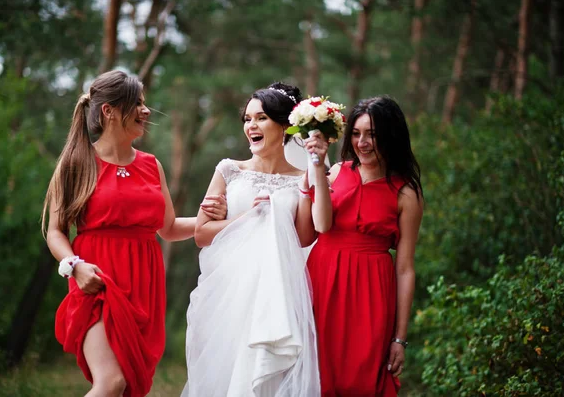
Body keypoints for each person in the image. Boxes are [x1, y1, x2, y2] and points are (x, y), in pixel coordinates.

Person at [42, 70, 226, 397]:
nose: (146, 110)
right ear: (108, 111)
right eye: (136, 103)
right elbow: (55, 230)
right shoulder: (76, 162)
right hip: (97, 279)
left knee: (128, 387)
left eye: (144, 102)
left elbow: (168, 229)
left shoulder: (151, 165)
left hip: (145, 284)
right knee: (111, 382)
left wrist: (234, 222)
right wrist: (74, 266)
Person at [181, 82, 320, 397]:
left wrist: (308, 188)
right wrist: (248, 217)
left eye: (261, 119)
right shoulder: (229, 171)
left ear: (284, 126)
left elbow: (304, 237)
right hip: (229, 293)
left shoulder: (301, 179)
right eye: (247, 119)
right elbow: (202, 234)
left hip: (277, 293)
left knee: (266, 375)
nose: (251, 126)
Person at [304, 96, 424, 396]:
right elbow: (319, 226)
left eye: (372, 134)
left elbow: (406, 268)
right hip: (322, 280)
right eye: (356, 134)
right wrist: (317, 165)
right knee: (315, 374)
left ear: (391, 135)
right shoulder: (334, 173)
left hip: (371, 293)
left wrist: (399, 338)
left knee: (360, 377)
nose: (363, 143)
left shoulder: (405, 193)